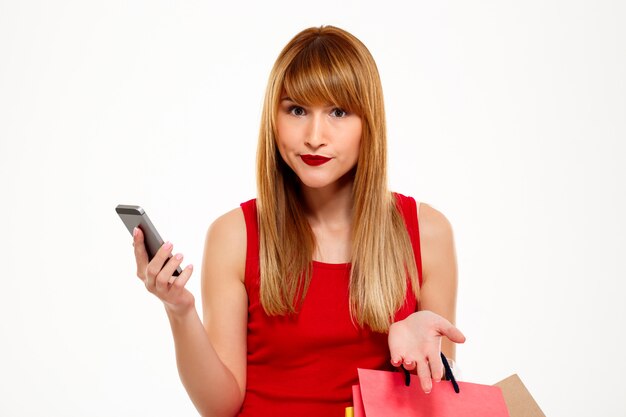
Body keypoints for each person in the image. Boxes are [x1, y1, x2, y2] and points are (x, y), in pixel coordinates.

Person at [131, 25, 465, 417]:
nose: (314, 136)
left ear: (368, 123)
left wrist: (414, 348)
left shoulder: (427, 233)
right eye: (296, 110)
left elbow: (442, 398)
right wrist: (180, 310)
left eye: (338, 112)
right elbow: (220, 406)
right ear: (273, 119)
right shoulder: (234, 235)